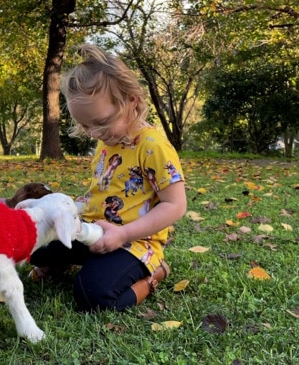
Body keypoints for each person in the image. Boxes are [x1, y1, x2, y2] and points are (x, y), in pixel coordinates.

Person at [29, 44, 187, 311]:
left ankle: (154, 274)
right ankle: (76, 263)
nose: (92, 133)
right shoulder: (107, 138)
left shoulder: (152, 146)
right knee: (34, 247)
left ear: (131, 101)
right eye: (84, 125)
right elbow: (104, 188)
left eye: (99, 122)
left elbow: (176, 205)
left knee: (94, 295)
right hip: (93, 233)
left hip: (134, 242)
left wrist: (124, 232)